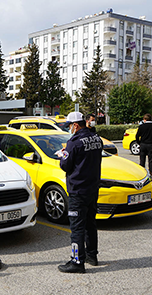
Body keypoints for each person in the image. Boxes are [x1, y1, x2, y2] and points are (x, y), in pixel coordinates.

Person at [57, 112, 103, 273]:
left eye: (69, 125)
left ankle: (77, 261)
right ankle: (92, 255)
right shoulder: (96, 138)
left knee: (77, 227)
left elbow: (65, 165)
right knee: (90, 223)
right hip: (92, 188)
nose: (69, 128)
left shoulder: (74, 142)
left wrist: (62, 156)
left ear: (75, 125)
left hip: (78, 190)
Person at [136, 114, 152, 179]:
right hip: (151, 144)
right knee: (151, 161)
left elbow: (137, 136)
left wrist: (139, 143)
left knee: (142, 160)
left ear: (145, 119)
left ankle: (142, 175)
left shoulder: (141, 126)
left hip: (143, 144)